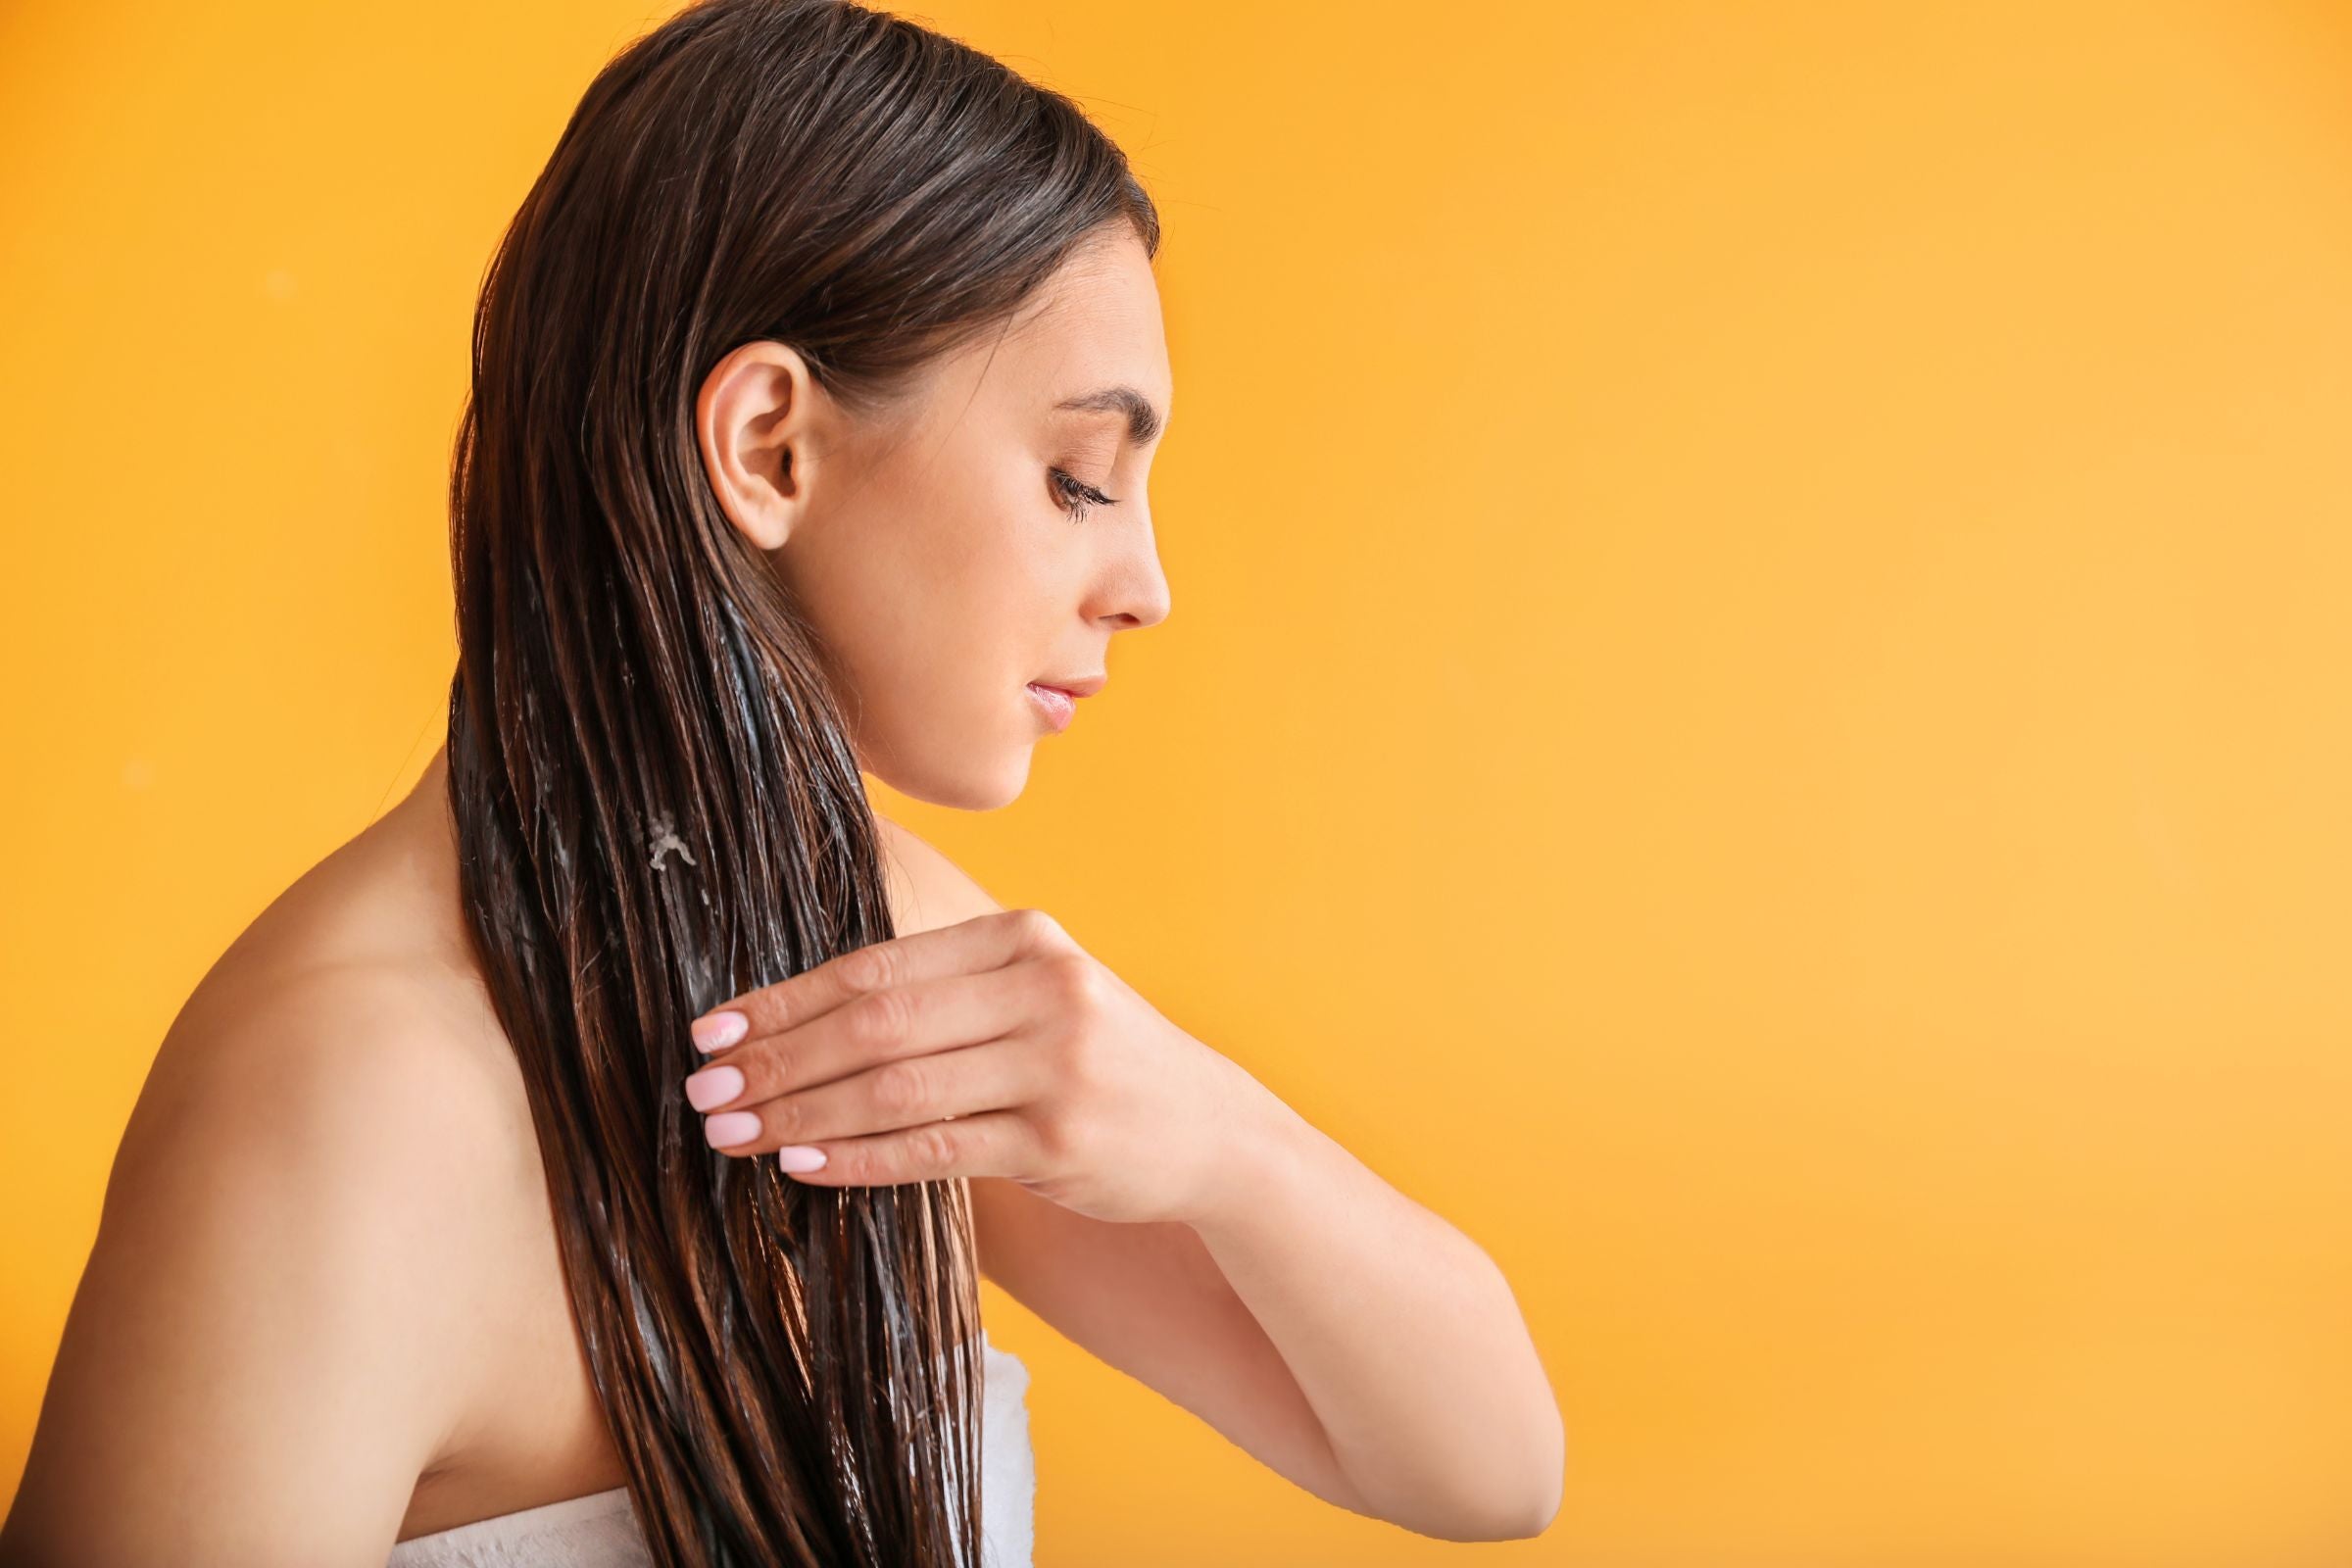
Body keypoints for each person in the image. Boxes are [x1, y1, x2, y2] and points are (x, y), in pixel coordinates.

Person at [0, 1, 1564, 1562]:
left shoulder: (865, 943)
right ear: (766, 448)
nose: (1145, 583)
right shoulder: (346, 1110)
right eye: (1078, 477)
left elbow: (1488, 1474)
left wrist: (1218, 1138)